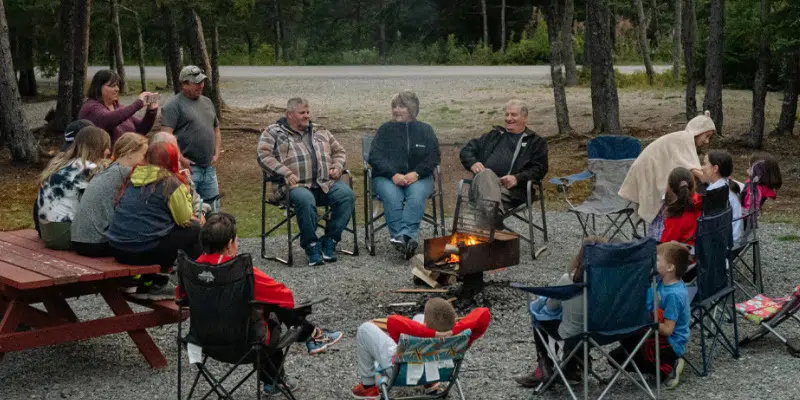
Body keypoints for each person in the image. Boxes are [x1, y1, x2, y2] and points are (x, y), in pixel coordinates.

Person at [184, 212, 343, 394]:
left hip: (203, 341)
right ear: (229, 244)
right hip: (244, 345)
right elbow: (286, 298)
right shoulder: (241, 271)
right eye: (236, 240)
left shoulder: (191, 269)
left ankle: (310, 338)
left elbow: (181, 298)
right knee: (269, 313)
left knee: (258, 311)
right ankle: (309, 337)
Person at [257, 97, 355, 266]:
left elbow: (339, 151)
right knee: (305, 198)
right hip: (293, 187)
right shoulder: (273, 132)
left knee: (347, 195)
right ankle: (311, 246)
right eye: (302, 112)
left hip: (324, 184)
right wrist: (285, 172)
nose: (307, 116)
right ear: (289, 114)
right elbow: (263, 156)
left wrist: (337, 166)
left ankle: (330, 240)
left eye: (308, 112)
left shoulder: (321, 130)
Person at [107, 141, 202, 300]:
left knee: (157, 231)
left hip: (117, 248)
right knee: (194, 229)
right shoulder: (170, 182)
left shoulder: (132, 177)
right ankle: (195, 283)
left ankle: (152, 280)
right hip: (143, 250)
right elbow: (184, 219)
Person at [514, 236, 608, 388]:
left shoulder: (568, 280)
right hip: (605, 333)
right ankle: (574, 366)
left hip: (575, 335)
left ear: (580, 256)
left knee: (540, 317)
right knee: (579, 322)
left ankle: (544, 368)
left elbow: (551, 307)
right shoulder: (612, 284)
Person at [350, 298, 491, 399]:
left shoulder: (421, 331)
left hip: (400, 370)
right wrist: (452, 330)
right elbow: (484, 313)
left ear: (426, 324)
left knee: (364, 329)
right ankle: (430, 383)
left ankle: (368, 387)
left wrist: (432, 333)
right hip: (440, 370)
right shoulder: (461, 336)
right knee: (418, 316)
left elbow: (393, 321)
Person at [618, 111, 716, 238]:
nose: (707, 141)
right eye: (706, 136)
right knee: (665, 201)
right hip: (648, 172)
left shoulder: (683, 138)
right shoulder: (685, 138)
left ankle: (661, 237)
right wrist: (713, 176)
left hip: (650, 171)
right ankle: (660, 238)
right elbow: (691, 168)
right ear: (698, 131)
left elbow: (685, 165)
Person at [367, 91, 440, 258]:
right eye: (394, 106)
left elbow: (434, 157)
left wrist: (416, 174)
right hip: (387, 177)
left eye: (402, 106)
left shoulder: (425, 130)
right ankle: (405, 239)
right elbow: (374, 157)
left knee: (416, 194)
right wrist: (393, 174)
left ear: (412, 109)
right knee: (392, 197)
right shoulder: (385, 129)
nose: (397, 110)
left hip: (419, 177)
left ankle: (403, 237)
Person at [609, 241, 691, 390]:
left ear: (670, 267)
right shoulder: (659, 281)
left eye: (658, 260)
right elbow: (645, 304)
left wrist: (644, 320)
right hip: (654, 332)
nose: (653, 262)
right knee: (615, 358)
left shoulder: (674, 294)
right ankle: (655, 363)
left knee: (628, 335)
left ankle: (671, 364)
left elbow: (668, 329)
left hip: (671, 343)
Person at [459, 99, 548, 227]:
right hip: (482, 186)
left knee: (480, 207)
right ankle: (494, 218)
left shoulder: (536, 142)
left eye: (513, 115)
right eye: (506, 114)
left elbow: (540, 168)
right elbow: (467, 150)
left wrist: (517, 178)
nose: (508, 118)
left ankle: (488, 227)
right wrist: (473, 163)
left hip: (511, 191)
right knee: (486, 174)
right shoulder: (493, 136)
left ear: (525, 118)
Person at [71, 133, 149, 257]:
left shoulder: (109, 169)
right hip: (96, 242)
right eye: (144, 156)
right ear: (129, 153)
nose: (146, 161)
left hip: (80, 239)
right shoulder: (126, 173)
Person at [36, 126, 111, 250]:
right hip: (65, 234)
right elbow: (99, 204)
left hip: (47, 232)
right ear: (98, 147)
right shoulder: (87, 168)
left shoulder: (63, 163)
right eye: (106, 147)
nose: (108, 151)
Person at [160, 65, 222, 208]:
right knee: (190, 211)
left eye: (202, 82)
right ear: (184, 84)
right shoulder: (173, 106)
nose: (201, 85)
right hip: (188, 170)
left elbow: (216, 129)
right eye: (196, 83)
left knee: (214, 211)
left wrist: (217, 153)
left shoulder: (207, 102)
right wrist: (181, 159)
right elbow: (165, 137)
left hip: (209, 168)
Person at [78, 69, 158, 144]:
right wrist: (138, 104)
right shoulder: (90, 107)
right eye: (112, 86)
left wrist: (151, 111)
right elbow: (108, 119)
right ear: (98, 88)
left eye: (117, 85)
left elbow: (140, 130)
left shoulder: (118, 107)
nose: (117, 89)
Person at [701, 150, 742, 243]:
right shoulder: (726, 185)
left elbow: (709, 225)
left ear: (715, 168)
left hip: (725, 244)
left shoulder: (716, 192)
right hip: (734, 238)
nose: (702, 168)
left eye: (705, 164)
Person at [660, 167, 703, 246]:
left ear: (670, 188)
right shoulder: (701, 202)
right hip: (702, 253)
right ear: (693, 184)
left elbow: (665, 248)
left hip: (684, 256)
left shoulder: (675, 219)